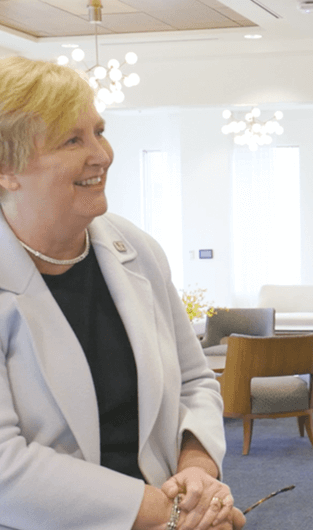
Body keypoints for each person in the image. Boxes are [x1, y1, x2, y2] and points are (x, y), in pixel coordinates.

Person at [0, 57, 246, 529]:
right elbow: (6, 470)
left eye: (99, 131)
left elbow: (194, 382)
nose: (102, 155)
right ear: (7, 168)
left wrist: (197, 473)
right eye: (72, 140)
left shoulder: (135, 248)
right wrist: (171, 515)